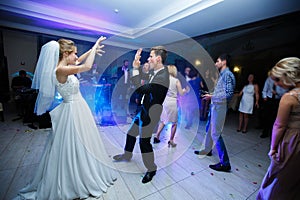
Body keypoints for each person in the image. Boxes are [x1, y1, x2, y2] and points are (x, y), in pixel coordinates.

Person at [19, 36, 116, 199]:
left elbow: (79, 62)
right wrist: (95, 46)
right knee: (74, 143)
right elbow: (86, 66)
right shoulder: (60, 70)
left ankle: (82, 170)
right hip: (72, 110)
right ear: (65, 53)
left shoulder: (65, 66)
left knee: (82, 143)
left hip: (77, 107)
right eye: (75, 53)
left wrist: (91, 51)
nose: (76, 57)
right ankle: (75, 178)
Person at [113, 46, 170, 184]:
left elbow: (141, 89)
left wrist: (134, 68)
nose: (148, 59)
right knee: (131, 133)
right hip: (144, 109)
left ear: (158, 58)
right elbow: (143, 77)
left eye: (151, 56)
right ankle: (127, 155)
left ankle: (152, 168)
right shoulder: (155, 71)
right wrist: (137, 67)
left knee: (144, 142)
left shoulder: (162, 77)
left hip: (151, 114)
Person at [257, 57, 300, 199]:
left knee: (278, 180)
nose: (277, 84)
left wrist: (274, 148)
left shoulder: (289, 97)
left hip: (293, 142)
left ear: (288, 76)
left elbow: (279, 125)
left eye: (278, 79)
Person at [194, 53, 236, 172]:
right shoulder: (222, 74)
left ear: (224, 62)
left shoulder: (227, 75)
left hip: (220, 107)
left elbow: (228, 94)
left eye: (217, 61)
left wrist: (211, 96)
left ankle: (225, 163)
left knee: (216, 133)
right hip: (215, 105)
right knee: (209, 129)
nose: (215, 63)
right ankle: (207, 150)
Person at [153, 65, 188, 147]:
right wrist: (185, 90)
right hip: (172, 102)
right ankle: (171, 140)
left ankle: (157, 136)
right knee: (174, 123)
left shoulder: (164, 80)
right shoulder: (176, 81)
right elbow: (181, 93)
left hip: (164, 101)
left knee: (163, 121)